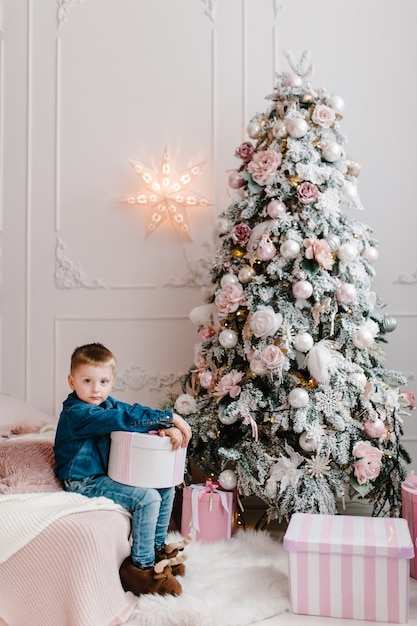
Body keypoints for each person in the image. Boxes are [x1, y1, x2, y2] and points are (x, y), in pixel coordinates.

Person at [54, 342, 192, 597]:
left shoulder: (106, 404)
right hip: (82, 480)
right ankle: (141, 568)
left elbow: (130, 412)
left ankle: (156, 550)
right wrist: (170, 416)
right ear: (71, 381)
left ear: (112, 382)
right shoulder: (77, 413)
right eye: (87, 381)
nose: (96, 389)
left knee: (165, 485)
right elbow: (121, 420)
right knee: (147, 497)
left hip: (103, 475)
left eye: (104, 382)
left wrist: (159, 427)